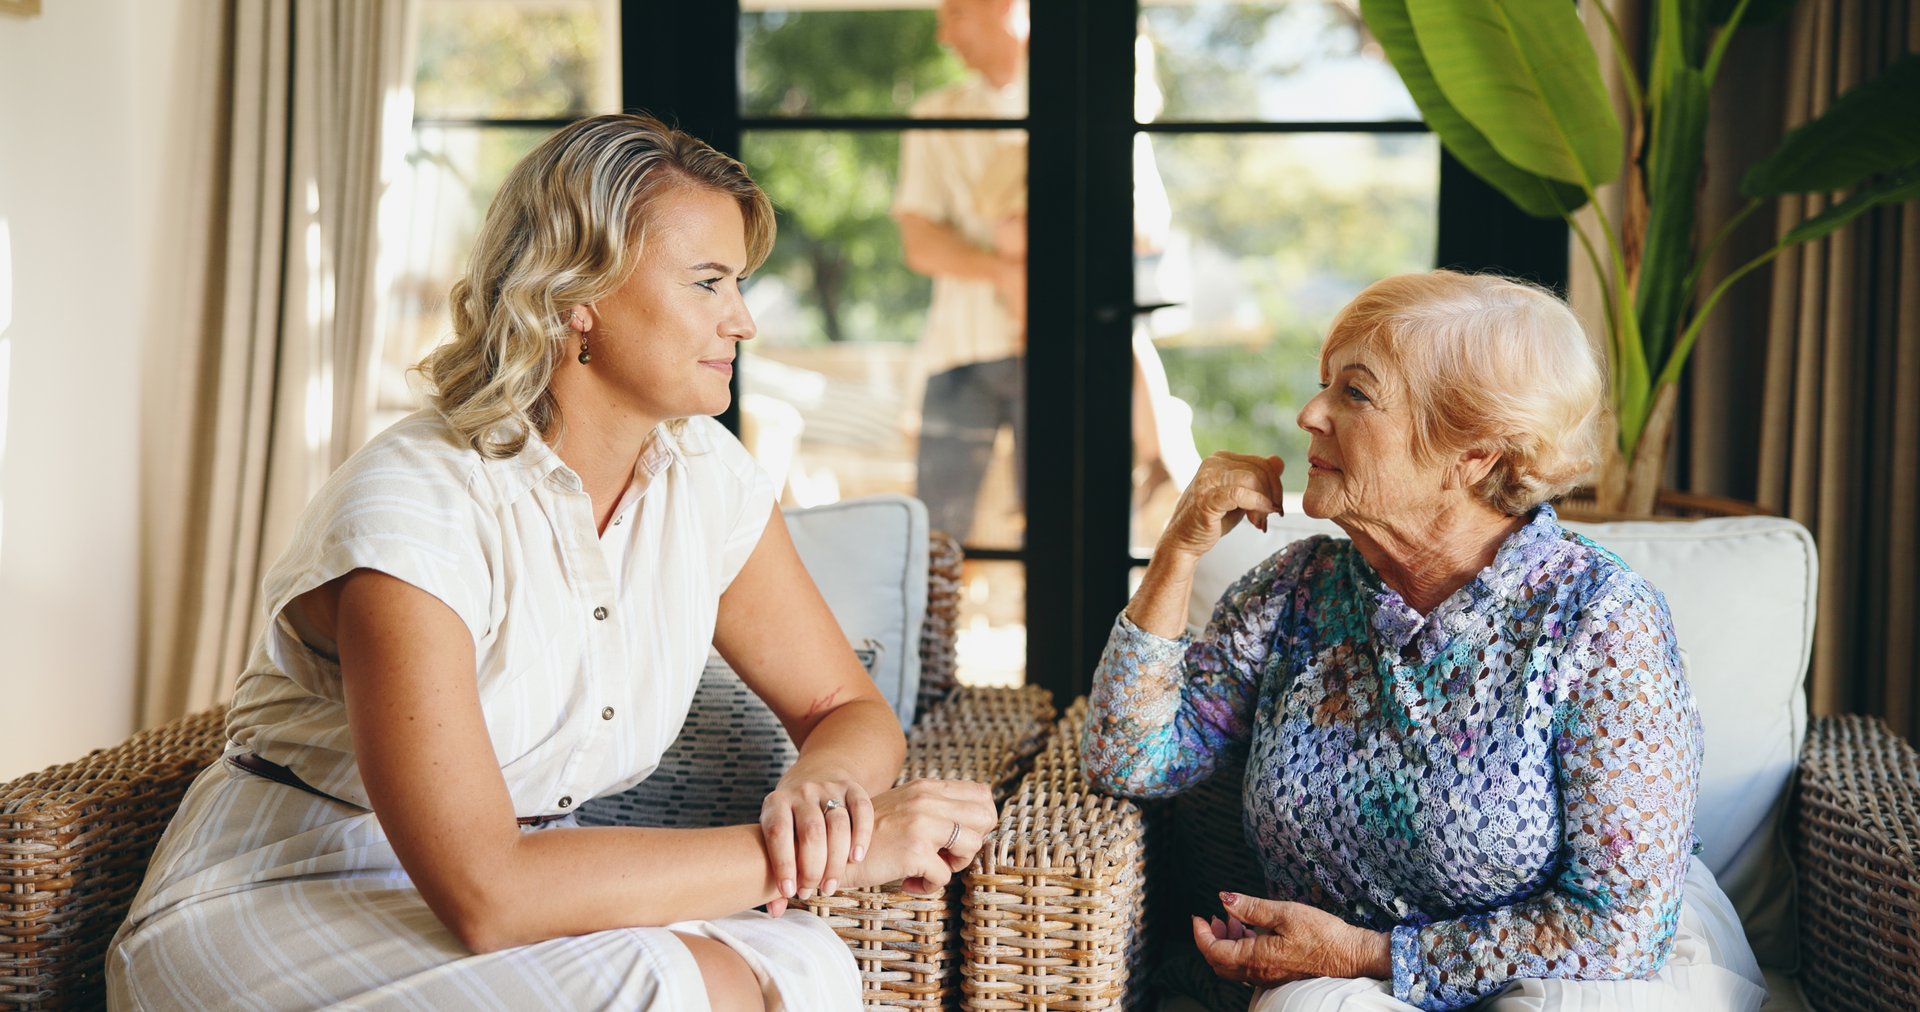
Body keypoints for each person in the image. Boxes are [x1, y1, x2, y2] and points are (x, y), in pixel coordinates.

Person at [106, 113, 998, 1011]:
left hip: (533, 883)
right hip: (291, 890)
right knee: (670, 990)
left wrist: (826, 796)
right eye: (708, 283)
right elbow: (487, 892)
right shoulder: (416, 513)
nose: (745, 319)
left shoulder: (705, 478)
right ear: (582, 294)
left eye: (740, 283)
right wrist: (848, 849)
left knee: (806, 967)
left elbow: (844, 708)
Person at [1081, 271, 1767, 1011]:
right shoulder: (1292, 593)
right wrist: (1179, 550)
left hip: (1570, 963)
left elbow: (1619, 928)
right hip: (1339, 973)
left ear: (1472, 453)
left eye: (1355, 393)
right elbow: (1132, 763)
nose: (1310, 414)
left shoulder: (1599, 619)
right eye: (1323, 384)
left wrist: (1373, 954)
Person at [893, 0, 1029, 542]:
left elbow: (1143, 227)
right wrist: (1005, 272)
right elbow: (918, 241)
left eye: (954, 15)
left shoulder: (1091, 99)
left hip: (1060, 351)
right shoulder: (935, 114)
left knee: (1059, 528)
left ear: (1003, 7)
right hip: (959, 351)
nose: (944, 37)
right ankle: (933, 631)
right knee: (937, 530)